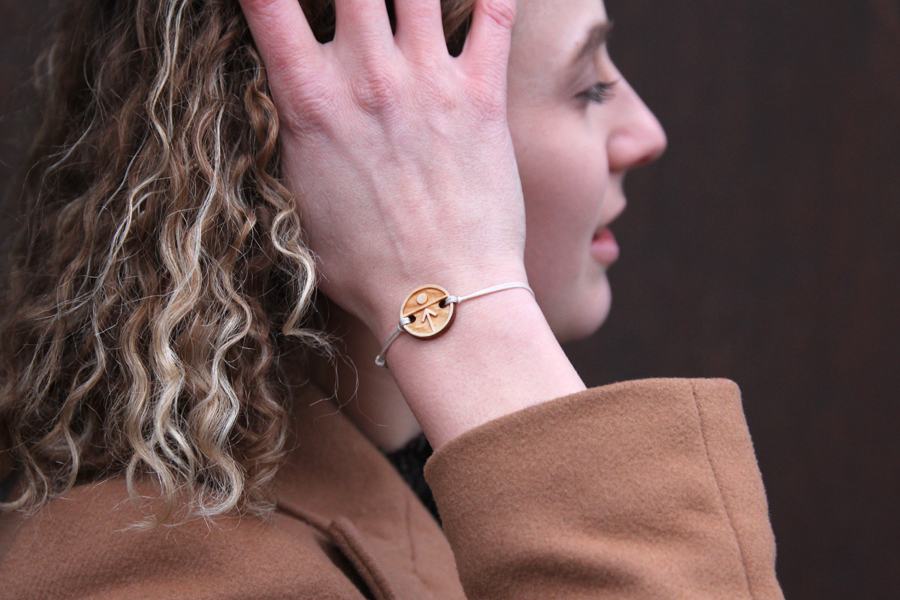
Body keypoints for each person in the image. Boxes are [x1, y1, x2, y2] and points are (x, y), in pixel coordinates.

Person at [0, 0, 784, 598]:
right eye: (589, 87)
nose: (647, 131)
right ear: (361, 142)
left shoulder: (445, 489)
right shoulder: (155, 563)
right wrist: (455, 280)